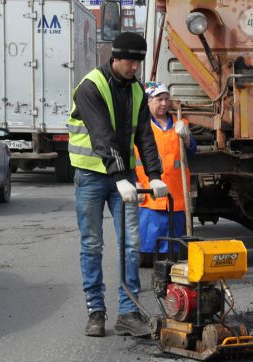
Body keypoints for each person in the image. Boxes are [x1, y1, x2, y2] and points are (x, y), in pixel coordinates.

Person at [68, 32, 168, 337]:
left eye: (139, 61)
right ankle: (95, 312)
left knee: (131, 244)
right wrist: (121, 177)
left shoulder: (137, 90)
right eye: (131, 61)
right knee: (92, 245)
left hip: (122, 178)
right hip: (91, 176)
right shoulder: (90, 87)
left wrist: (153, 174)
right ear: (115, 57)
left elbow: (144, 136)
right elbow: (102, 135)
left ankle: (128, 312)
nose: (135, 67)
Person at [135, 82, 197, 268]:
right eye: (159, 99)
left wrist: (186, 137)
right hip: (149, 196)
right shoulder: (141, 127)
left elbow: (191, 151)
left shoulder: (180, 124)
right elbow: (130, 158)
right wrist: (135, 182)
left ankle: (170, 273)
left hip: (176, 195)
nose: (164, 103)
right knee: (148, 241)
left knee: (173, 245)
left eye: (167, 99)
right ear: (148, 101)